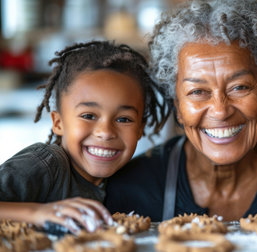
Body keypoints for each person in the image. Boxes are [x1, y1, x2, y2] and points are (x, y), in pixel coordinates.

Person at [105, 0, 257, 222]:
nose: (220, 111)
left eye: (239, 87)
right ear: (178, 107)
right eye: (198, 91)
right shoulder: (130, 189)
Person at [0, 41, 167, 233]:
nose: (105, 132)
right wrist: (37, 213)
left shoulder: (122, 181)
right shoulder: (47, 163)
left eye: (123, 119)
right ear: (58, 122)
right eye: (88, 116)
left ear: (140, 129)